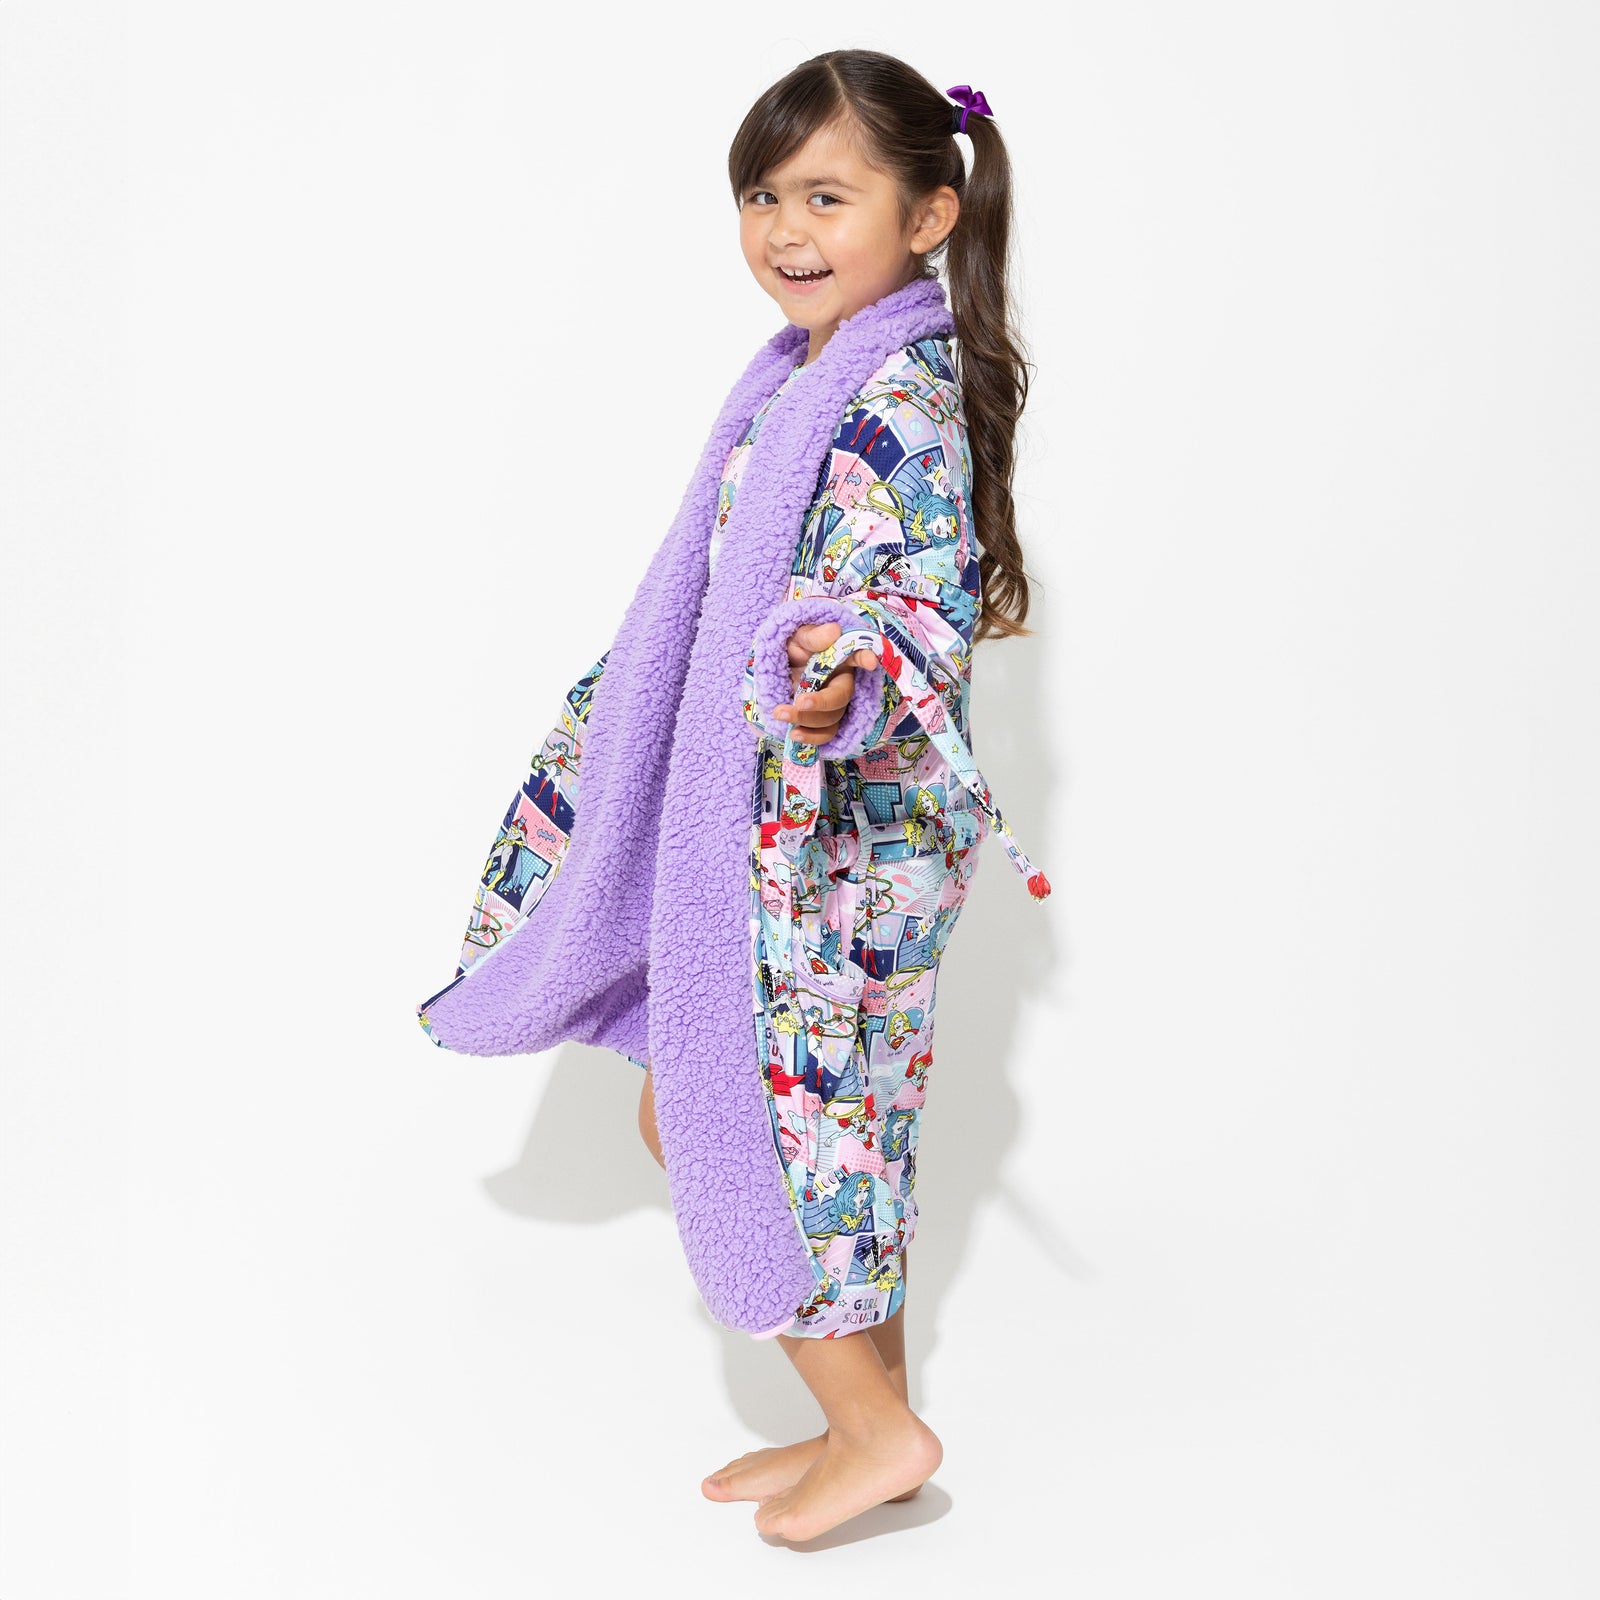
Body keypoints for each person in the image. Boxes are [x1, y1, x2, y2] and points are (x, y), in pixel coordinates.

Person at [416, 50, 1047, 1542]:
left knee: (742, 1119)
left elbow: (899, 605)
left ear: (931, 213)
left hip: (833, 842)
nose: (785, 229)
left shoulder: (894, 399)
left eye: (828, 196)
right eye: (763, 195)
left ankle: (875, 1430)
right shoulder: (805, 374)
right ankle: (865, 1421)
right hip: (814, 833)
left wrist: (833, 678)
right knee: (837, 1132)